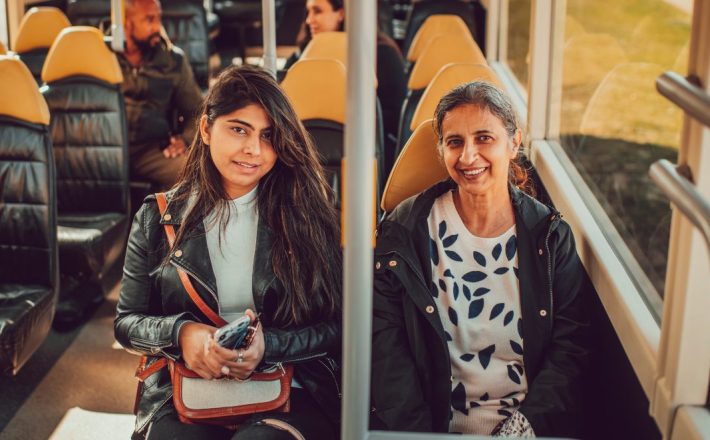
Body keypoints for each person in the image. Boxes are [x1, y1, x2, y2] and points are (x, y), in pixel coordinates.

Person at [115, 65, 342, 440]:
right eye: (239, 129)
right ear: (205, 129)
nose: (253, 149)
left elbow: (339, 327)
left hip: (293, 384)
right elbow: (127, 322)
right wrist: (182, 333)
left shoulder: (310, 213)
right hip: (185, 385)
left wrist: (271, 345)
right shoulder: (157, 217)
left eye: (268, 136)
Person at [370, 81, 590, 437]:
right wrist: (421, 434)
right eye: (455, 142)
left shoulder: (550, 238)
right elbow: (386, 350)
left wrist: (520, 430)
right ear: (441, 150)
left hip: (527, 429)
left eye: (484, 138)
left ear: (514, 142)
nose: (468, 156)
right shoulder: (405, 232)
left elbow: (571, 350)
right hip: (429, 427)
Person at [283, 0, 407, 167]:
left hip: (363, 154)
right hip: (298, 151)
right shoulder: (300, 58)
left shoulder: (383, 55)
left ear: (341, 13)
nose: (309, 20)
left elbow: (394, 117)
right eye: (308, 12)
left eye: (317, 11)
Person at [118, 0, 203, 189]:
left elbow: (197, 111)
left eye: (159, 18)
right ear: (126, 24)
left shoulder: (173, 60)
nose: (157, 26)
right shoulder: (99, 53)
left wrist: (185, 139)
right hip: (104, 149)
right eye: (149, 20)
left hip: (151, 150)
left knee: (195, 174)